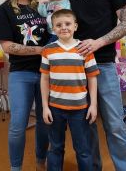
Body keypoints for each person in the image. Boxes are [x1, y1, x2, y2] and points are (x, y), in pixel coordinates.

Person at [67, 0, 126, 171]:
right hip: (77, 69)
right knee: (86, 125)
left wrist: (99, 43)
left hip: (104, 65)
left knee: (115, 125)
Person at [0, 0, 49, 171]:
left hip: (46, 73)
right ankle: (16, 168)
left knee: (45, 121)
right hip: (21, 73)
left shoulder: (42, 6)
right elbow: (7, 47)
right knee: (17, 126)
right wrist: (38, 50)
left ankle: (41, 162)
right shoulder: (5, 10)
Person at [40, 9, 100, 171]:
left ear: (75, 26)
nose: (63, 27)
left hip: (80, 109)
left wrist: (93, 105)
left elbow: (92, 78)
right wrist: (45, 107)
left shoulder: (84, 49)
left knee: (83, 149)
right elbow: (44, 79)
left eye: (67, 24)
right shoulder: (48, 50)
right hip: (55, 108)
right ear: (53, 28)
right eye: (58, 25)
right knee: (56, 148)